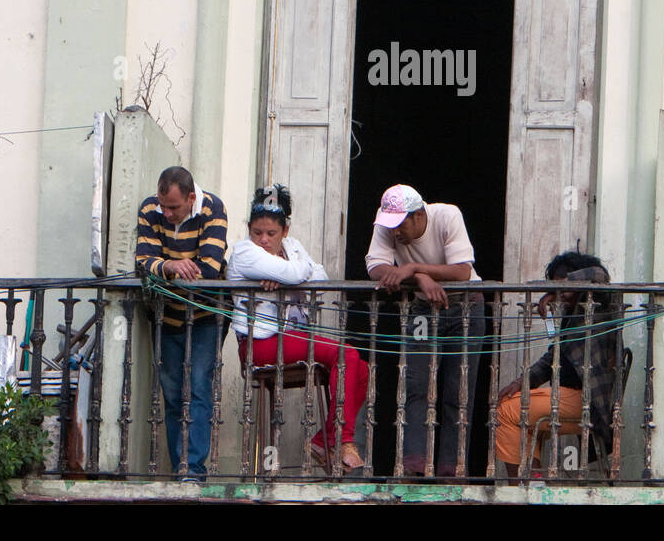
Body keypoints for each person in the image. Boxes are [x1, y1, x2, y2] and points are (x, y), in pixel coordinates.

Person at [228, 184, 368, 472]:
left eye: (271, 234)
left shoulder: (293, 248)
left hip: (291, 338)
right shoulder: (244, 252)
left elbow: (322, 276)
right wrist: (290, 273)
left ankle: (325, 439)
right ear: (249, 230)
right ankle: (340, 440)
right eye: (257, 233)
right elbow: (300, 272)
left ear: (285, 231)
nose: (263, 240)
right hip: (262, 344)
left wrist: (287, 274)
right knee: (347, 355)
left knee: (362, 369)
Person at [365, 183, 486, 477]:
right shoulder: (386, 225)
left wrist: (411, 268)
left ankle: (451, 470)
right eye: (390, 225)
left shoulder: (446, 216)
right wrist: (419, 277)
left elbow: (462, 271)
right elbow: (375, 267)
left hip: (464, 308)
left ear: (419, 214)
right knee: (415, 385)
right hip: (422, 312)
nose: (394, 232)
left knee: (458, 392)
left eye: (400, 225)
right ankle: (414, 466)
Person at [136, 166, 228, 479]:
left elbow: (210, 270)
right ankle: (181, 470)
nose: (167, 213)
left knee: (200, 390)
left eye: (174, 207)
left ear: (191, 198)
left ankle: (194, 472)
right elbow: (142, 263)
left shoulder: (213, 209)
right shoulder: (150, 210)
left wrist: (163, 270)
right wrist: (173, 265)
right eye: (164, 206)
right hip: (166, 316)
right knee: (174, 396)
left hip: (206, 316)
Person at [494, 251, 622, 475]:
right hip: (569, 398)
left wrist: (556, 290)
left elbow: (599, 274)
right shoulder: (570, 316)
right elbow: (551, 359)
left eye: (563, 286)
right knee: (511, 407)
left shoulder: (598, 304)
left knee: (507, 411)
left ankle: (524, 490)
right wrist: (522, 381)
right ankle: (533, 486)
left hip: (588, 400)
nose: (562, 294)